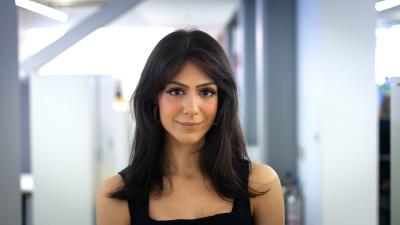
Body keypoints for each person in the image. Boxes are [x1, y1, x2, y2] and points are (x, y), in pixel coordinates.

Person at [96, 29, 284, 225]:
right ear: (154, 100)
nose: (192, 108)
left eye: (206, 92)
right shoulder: (115, 196)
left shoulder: (261, 183)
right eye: (176, 91)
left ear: (222, 101)